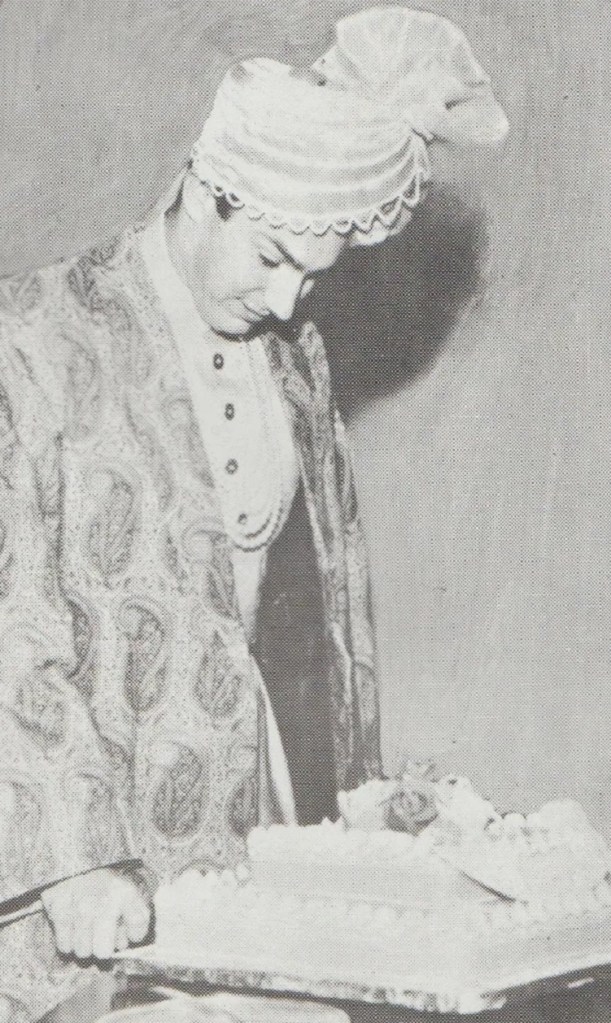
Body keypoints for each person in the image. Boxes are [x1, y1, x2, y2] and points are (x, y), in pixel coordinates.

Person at [0, 7, 507, 1019]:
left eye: (312, 277)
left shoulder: (292, 352)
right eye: (272, 257)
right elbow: (11, 631)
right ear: (206, 191)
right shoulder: (36, 339)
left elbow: (313, 615)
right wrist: (72, 864)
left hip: (246, 843)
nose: (284, 301)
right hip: (83, 866)